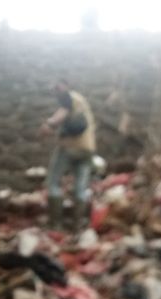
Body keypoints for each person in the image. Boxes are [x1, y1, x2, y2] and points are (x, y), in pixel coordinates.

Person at [39, 80, 96, 231]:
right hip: (87, 148)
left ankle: (56, 225)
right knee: (81, 187)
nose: (56, 91)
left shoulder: (69, 97)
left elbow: (62, 112)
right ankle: (77, 226)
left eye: (57, 87)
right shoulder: (81, 101)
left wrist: (49, 124)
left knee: (53, 182)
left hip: (69, 147)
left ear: (65, 86)